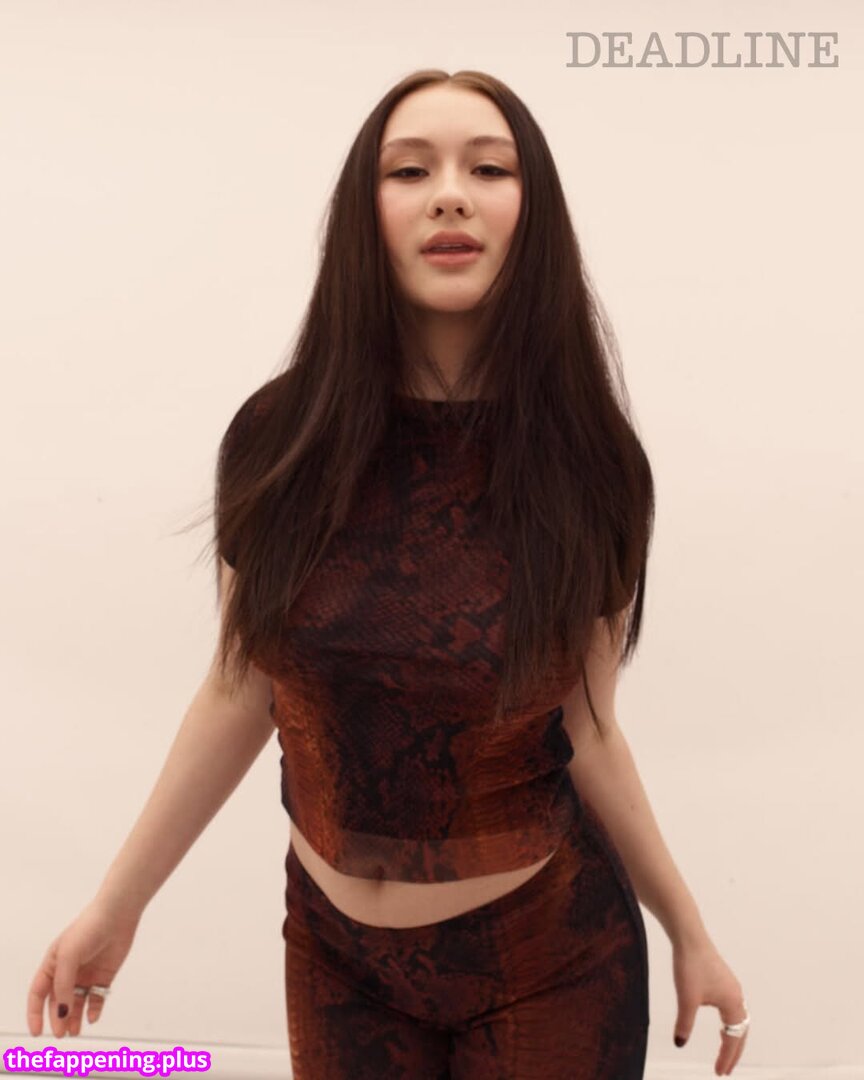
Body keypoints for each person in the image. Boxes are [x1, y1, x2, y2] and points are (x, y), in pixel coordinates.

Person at [27, 68, 749, 1078]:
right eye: (409, 171)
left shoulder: (592, 464)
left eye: (488, 168)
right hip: (337, 961)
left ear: (533, 210)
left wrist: (690, 931)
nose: (449, 194)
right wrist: (116, 906)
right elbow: (238, 688)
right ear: (363, 214)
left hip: (550, 958)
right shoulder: (278, 440)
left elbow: (588, 726)